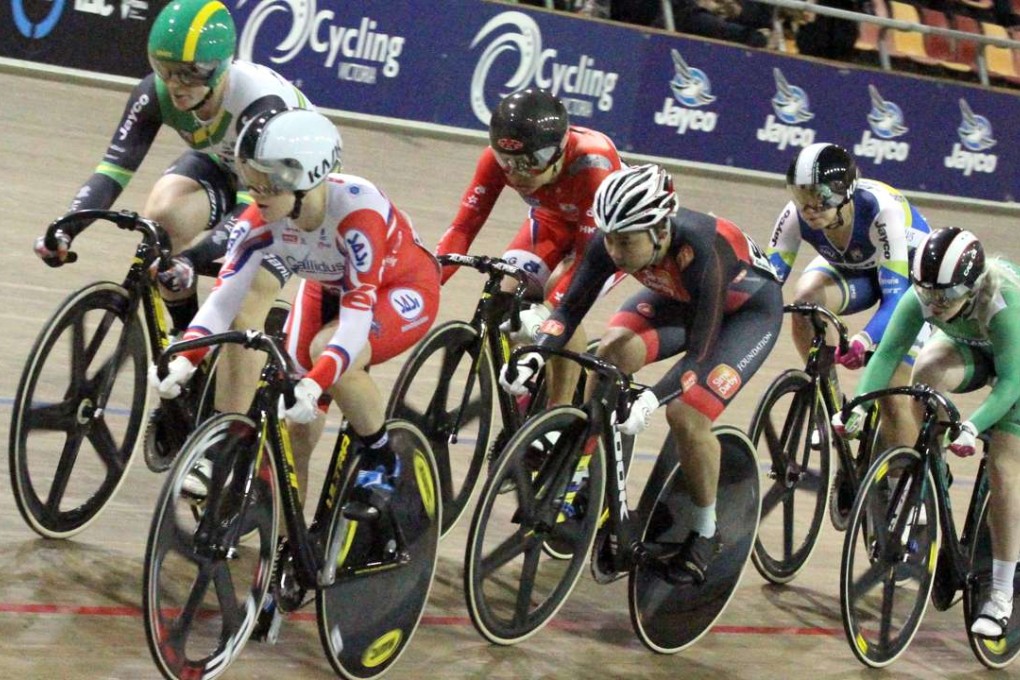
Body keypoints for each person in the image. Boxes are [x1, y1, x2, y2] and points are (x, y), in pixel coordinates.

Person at [33, 0, 312, 457]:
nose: (176, 86)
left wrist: (194, 261)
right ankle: (192, 362)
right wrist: (67, 225)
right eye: (165, 69)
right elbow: (113, 169)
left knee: (242, 301)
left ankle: (227, 442)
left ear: (220, 69)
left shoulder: (257, 104)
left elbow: (253, 215)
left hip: (285, 193)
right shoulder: (157, 92)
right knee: (161, 219)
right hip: (227, 164)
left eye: (190, 74)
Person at [500, 163, 784, 583]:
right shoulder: (614, 237)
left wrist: (651, 398)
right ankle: (580, 479)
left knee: (687, 415)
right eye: (608, 238)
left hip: (745, 315)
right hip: (678, 297)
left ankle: (706, 530)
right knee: (610, 355)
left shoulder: (705, 250)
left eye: (625, 242)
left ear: (660, 231)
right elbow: (570, 310)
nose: (613, 251)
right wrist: (536, 355)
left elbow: (701, 354)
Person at [151, 108, 440, 519]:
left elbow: (357, 317)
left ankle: (380, 454)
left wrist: (316, 381)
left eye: (266, 184)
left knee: (330, 353)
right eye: (251, 182)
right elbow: (222, 301)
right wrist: (186, 357)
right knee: (296, 437)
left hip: (400, 289)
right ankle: (285, 562)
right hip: (325, 288)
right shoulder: (261, 220)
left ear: (306, 177)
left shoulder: (359, 212)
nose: (255, 196)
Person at [833, 227, 1020, 639]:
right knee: (924, 377)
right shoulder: (927, 294)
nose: (933, 305)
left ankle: (1003, 592)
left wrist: (972, 426)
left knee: (1006, 467)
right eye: (927, 294)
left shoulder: (1003, 301)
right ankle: (928, 475)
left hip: (1016, 367)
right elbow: (886, 356)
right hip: (972, 347)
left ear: (970, 289)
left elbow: (1010, 384)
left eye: (945, 298)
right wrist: (860, 407)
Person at [436, 87, 624, 406]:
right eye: (507, 161)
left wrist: (551, 312)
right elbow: (463, 227)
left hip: (607, 238)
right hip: (550, 221)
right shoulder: (498, 161)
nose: (518, 173)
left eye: (531, 162)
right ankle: (526, 396)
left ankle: (556, 413)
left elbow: (585, 258)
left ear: (560, 151)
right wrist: (430, 280)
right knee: (503, 298)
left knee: (559, 312)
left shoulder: (593, 162)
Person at [767, 142, 931, 467]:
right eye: (802, 198)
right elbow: (769, 281)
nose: (810, 209)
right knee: (804, 304)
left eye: (821, 198)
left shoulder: (881, 212)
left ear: (846, 192)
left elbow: (896, 298)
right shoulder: (794, 216)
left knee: (892, 393)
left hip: (910, 280)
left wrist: (864, 339)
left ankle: (907, 494)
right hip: (857, 273)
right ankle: (830, 400)